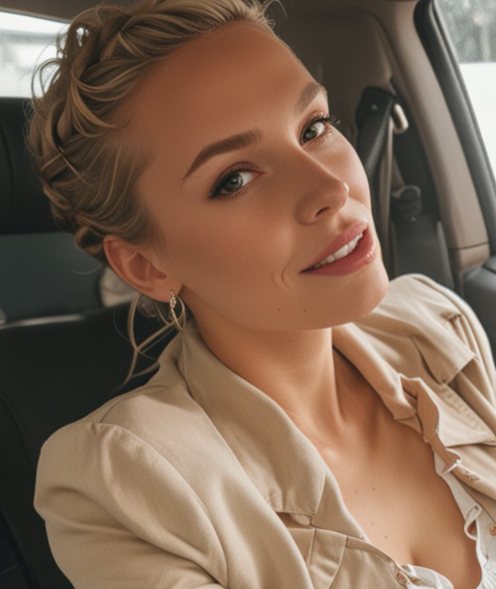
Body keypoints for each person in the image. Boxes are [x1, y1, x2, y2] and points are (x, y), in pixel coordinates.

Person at [29, 0, 496, 587]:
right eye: (234, 180)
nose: (331, 188)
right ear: (146, 265)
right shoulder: (124, 484)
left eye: (314, 128)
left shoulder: (436, 325)